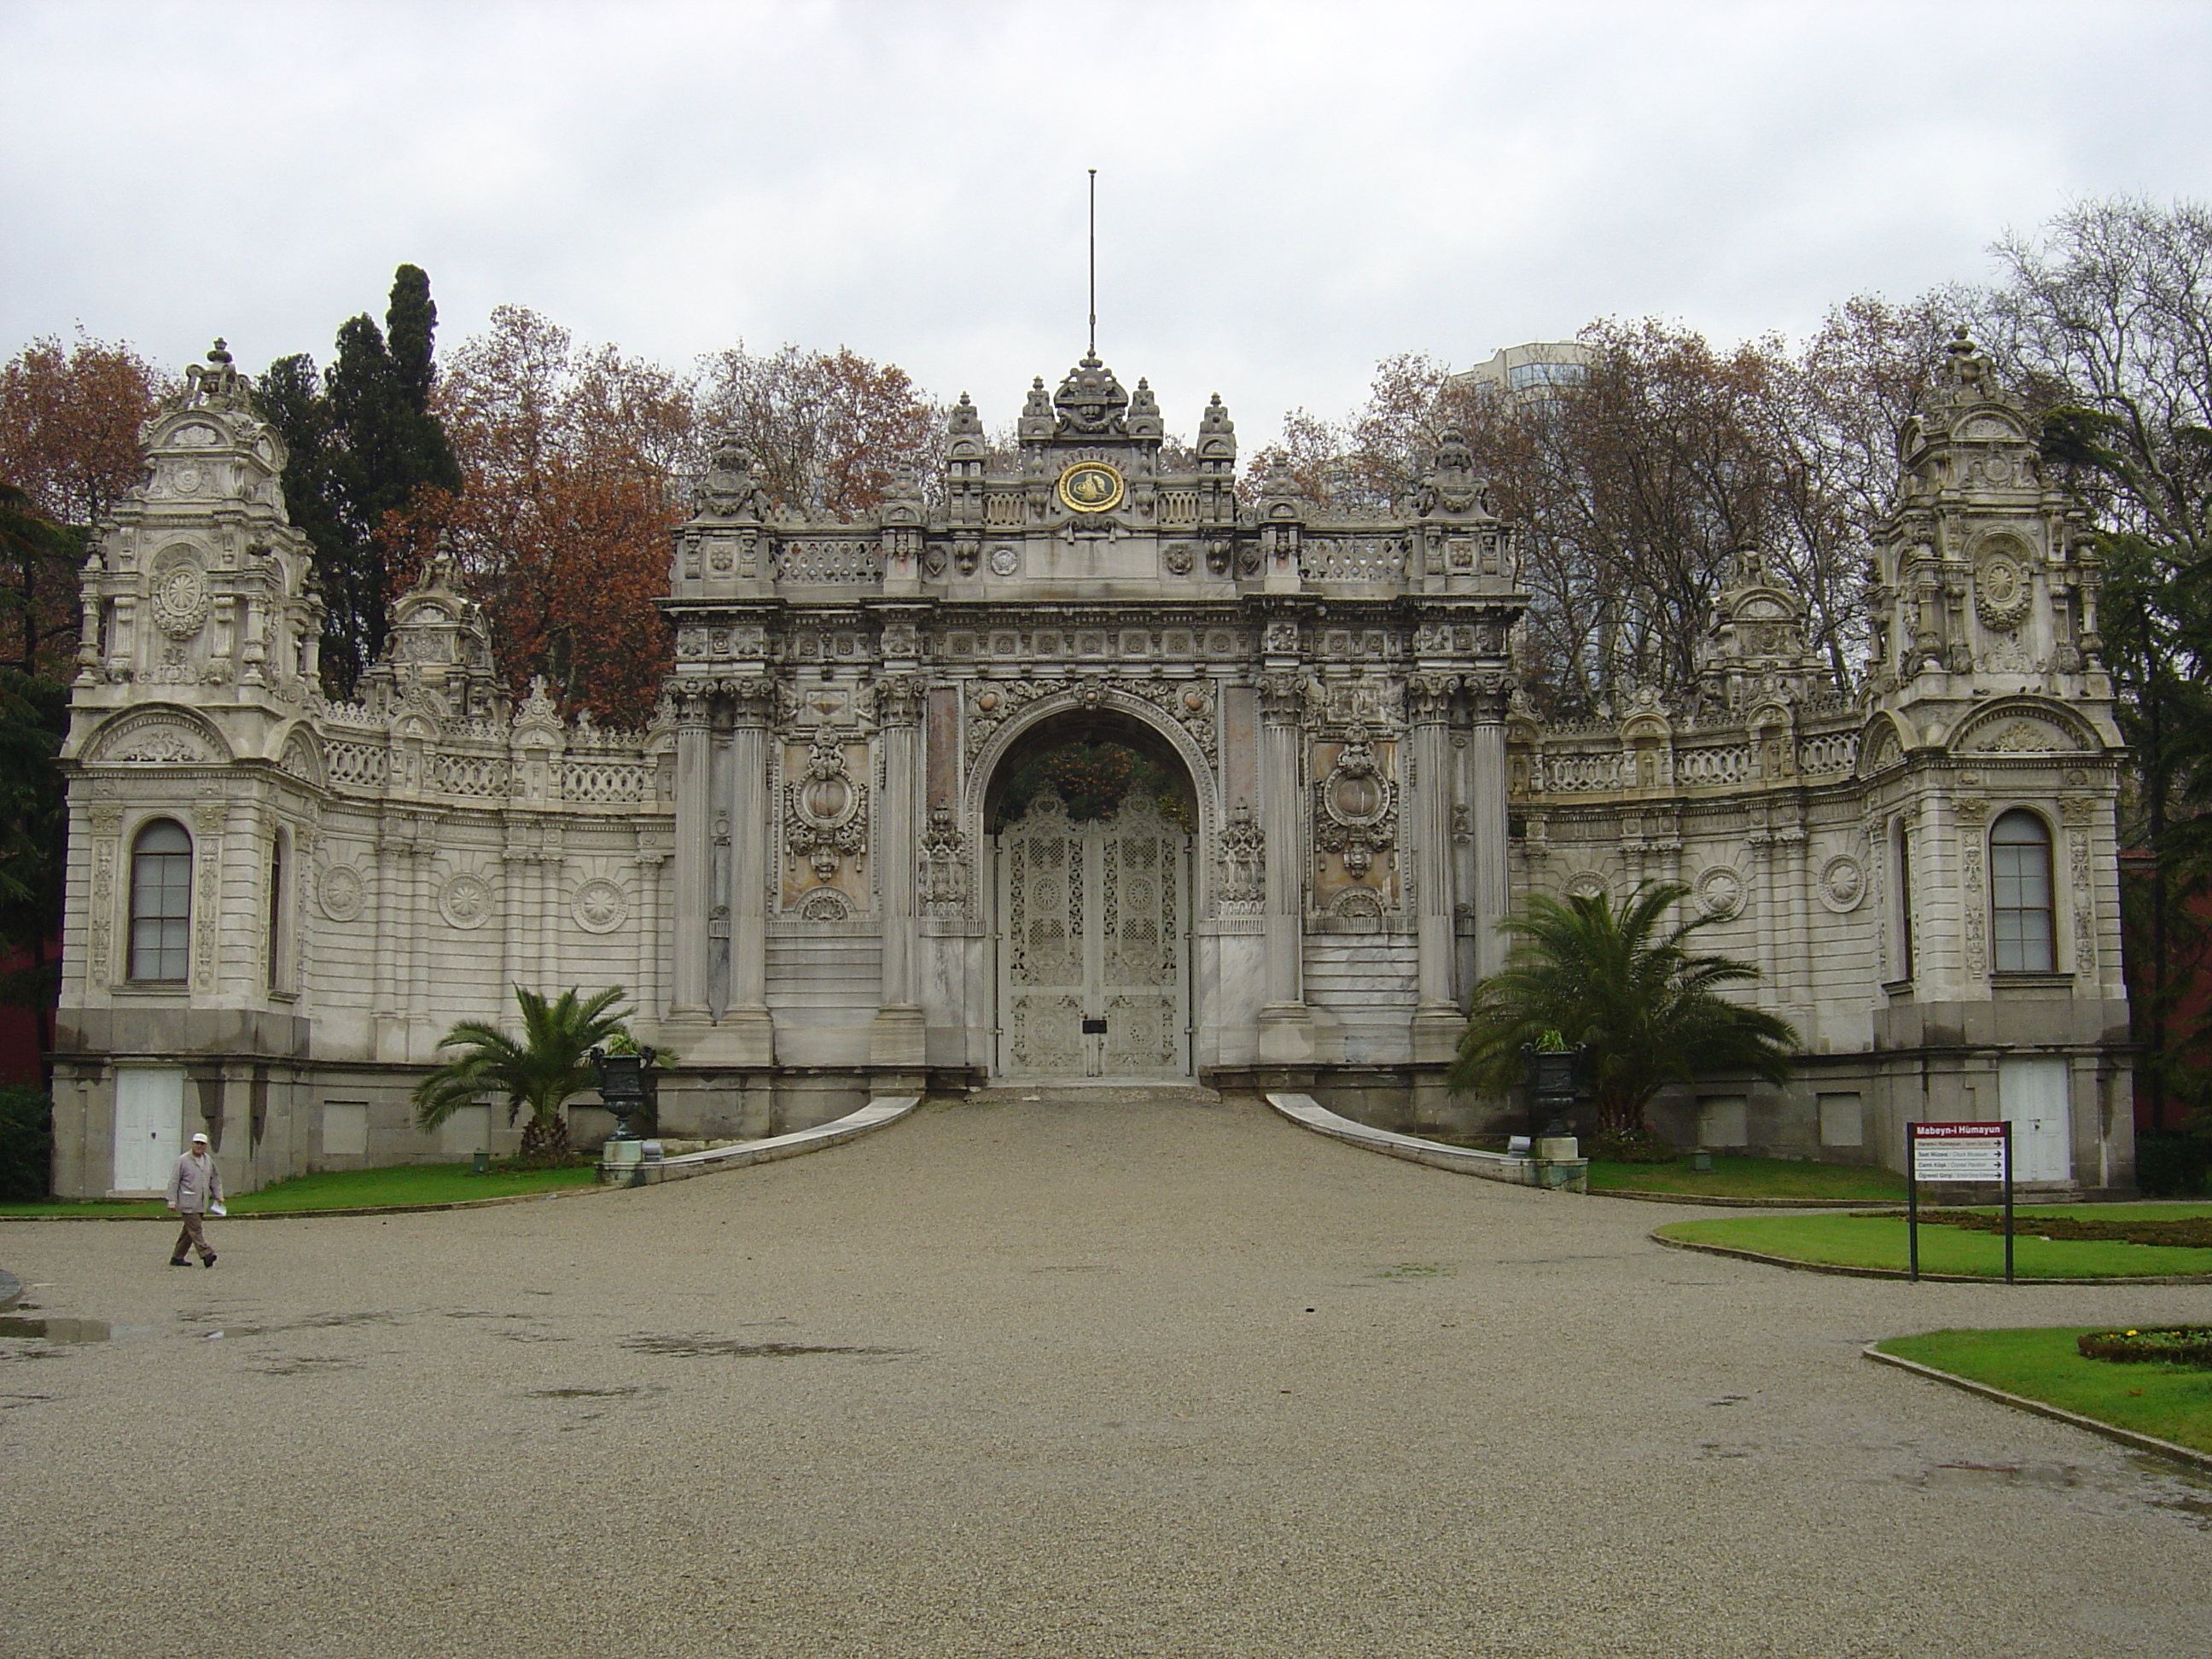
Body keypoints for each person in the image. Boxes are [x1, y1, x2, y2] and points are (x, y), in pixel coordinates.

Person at [166, 1131, 222, 1268]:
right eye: (197, 1143)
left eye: (202, 1144)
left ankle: (177, 1257)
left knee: (188, 1231)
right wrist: (171, 1201)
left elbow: (214, 1179)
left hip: (201, 1202)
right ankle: (206, 1253)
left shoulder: (208, 1160)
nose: (199, 1146)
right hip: (187, 1201)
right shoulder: (183, 1160)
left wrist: (218, 1195)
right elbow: (174, 1182)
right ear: (192, 1144)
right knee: (196, 1229)